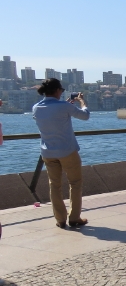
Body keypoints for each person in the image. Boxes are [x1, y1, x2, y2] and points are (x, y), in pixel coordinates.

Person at [32, 78, 90, 228]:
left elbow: (52, 116)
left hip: (47, 152)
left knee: (54, 185)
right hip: (67, 151)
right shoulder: (64, 106)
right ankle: (74, 218)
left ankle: (60, 219)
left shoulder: (36, 108)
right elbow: (85, 115)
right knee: (75, 183)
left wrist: (64, 105)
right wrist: (82, 102)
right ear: (58, 90)